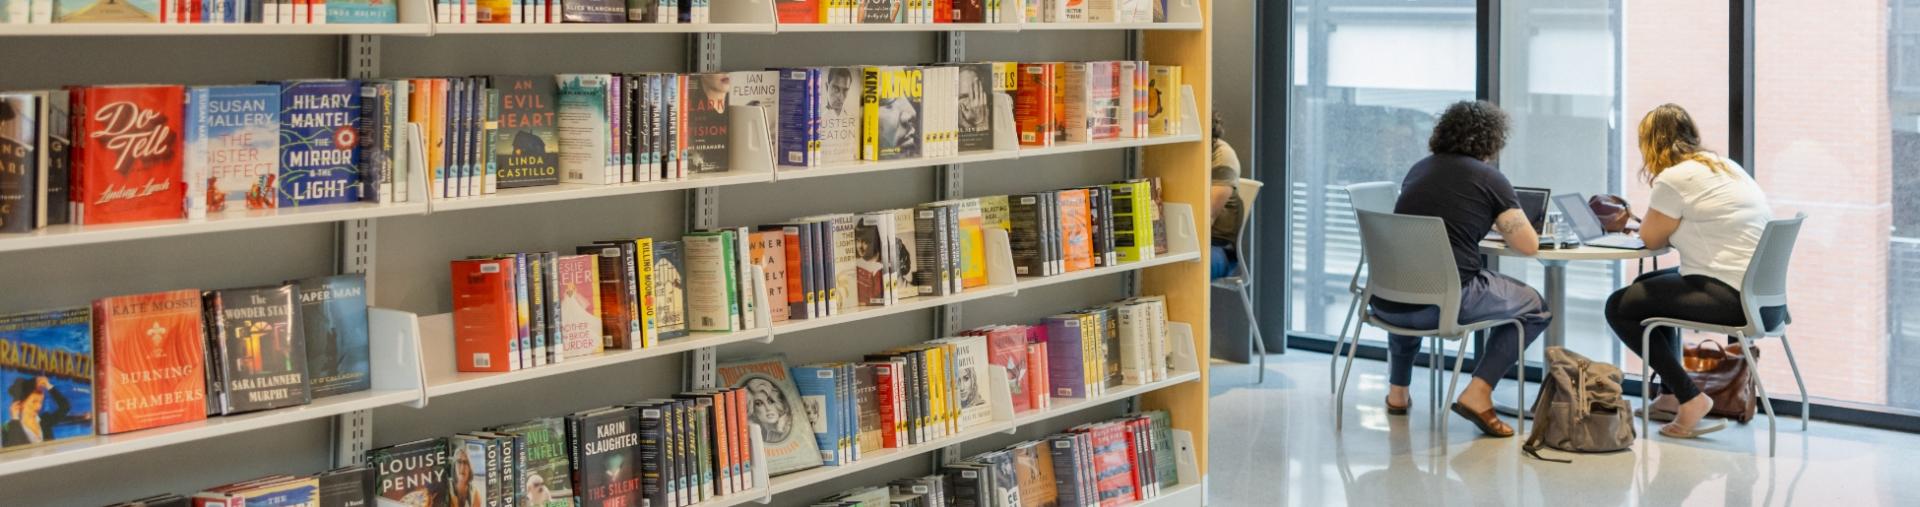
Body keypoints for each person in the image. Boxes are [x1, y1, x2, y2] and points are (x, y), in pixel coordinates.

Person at [1370, 100, 1551, 438]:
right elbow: (1528, 245)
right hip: (1441, 305)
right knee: (1536, 307)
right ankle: (1478, 393)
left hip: (1387, 301)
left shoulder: (1419, 169)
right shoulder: (1490, 179)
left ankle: (1398, 393)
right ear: (1491, 140)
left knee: (1411, 280)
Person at [1605, 104, 1786, 439]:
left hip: (1729, 297)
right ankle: (1671, 396)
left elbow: (1651, 238)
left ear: (1653, 143)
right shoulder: (1726, 167)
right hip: (1761, 298)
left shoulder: (1674, 179)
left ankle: (1689, 398)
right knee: (1646, 286)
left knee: (1619, 306)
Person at [1209, 114, 1245, 279]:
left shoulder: (1221, 156)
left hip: (1219, 247)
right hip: (1192, 243)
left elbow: (1206, 218)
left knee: (1180, 266)